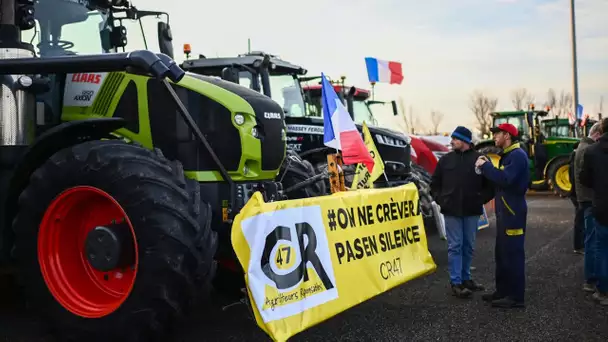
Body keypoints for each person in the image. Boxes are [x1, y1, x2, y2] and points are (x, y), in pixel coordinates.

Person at [431, 126, 494, 298]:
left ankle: (466, 279)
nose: (452, 142)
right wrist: (441, 199)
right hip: (451, 211)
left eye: (455, 139)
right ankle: (456, 282)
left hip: (472, 211)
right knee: (455, 246)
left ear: (465, 141)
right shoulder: (445, 160)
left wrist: (481, 200)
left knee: (468, 246)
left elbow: (491, 185)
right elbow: (434, 184)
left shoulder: (480, 159)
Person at [475, 123, 529, 308]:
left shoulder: (517, 156)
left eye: (496, 134)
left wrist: (486, 166)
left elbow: (505, 179)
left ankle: (515, 297)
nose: (494, 137)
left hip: (512, 212)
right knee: (502, 253)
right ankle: (502, 291)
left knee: (513, 254)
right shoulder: (509, 155)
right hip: (506, 212)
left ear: (507, 135)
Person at [579, 118, 608, 306]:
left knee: (602, 248)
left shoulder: (591, 151)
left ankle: (603, 291)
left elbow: (584, 179)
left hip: (602, 206)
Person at [574, 122, 603, 293]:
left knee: (592, 239)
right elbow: (588, 177)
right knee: (592, 240)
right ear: (598, 134)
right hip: (590, 199)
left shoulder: (582, 146)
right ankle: (590, 278)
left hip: (586, 198)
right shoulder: (588, 150)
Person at [569, 141, 584, 254]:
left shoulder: (572, 158)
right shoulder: (576, 159)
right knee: (580, 219)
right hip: (577, 193)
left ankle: (578, 244)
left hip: (574, 193)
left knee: (579, 218)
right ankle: (578, 245)